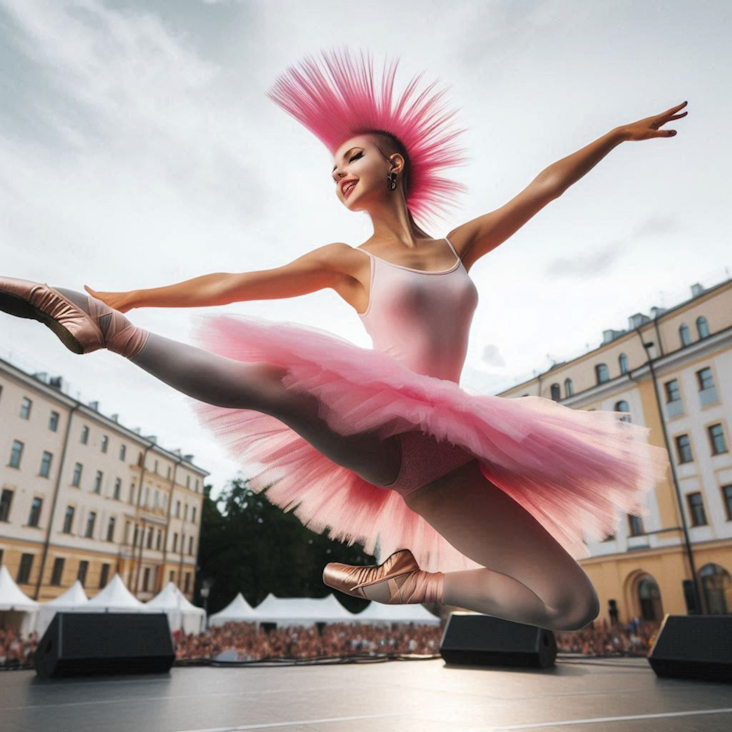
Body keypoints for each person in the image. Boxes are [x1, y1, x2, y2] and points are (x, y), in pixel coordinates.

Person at [0, 48, 684, 631]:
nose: (338, 171)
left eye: (351, 156)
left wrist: (615, 136)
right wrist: (136, 295)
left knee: (570, 605)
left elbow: (543, 190)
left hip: (444, 455)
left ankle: (410, 585)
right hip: (378, 418)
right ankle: (102, 324)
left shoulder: (457, 246)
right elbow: (234, 282)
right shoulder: (350, 262)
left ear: (394, 163)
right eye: (332, 166)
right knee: (281, 390)